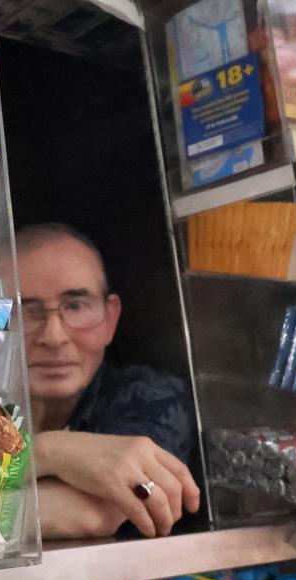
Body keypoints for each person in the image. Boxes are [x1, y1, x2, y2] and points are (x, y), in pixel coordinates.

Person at [17, 223, 201, 540]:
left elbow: (89, 513)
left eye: (76, 306)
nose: (54, 337)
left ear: (110, 319)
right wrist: (51, 454)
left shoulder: (149, 397)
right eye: (25, 311)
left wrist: (45, 452)